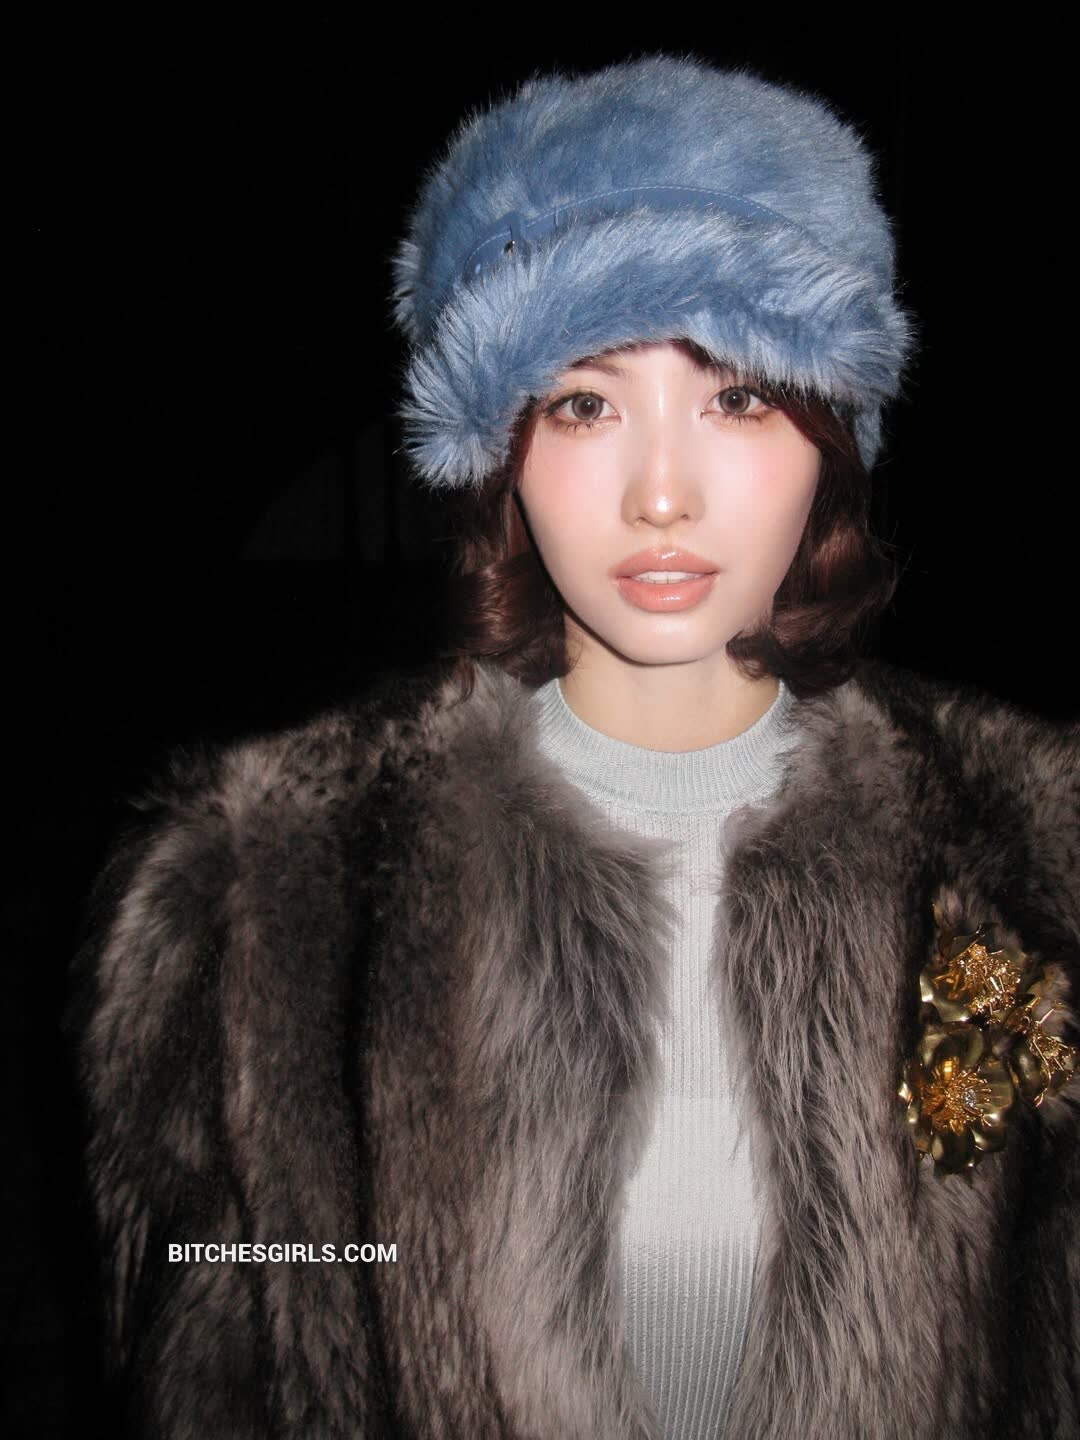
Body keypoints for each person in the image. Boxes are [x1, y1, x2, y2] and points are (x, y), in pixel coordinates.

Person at [69, 52, 1078, 1440]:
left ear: (833, 438)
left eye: (738, 396)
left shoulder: (1031, 857)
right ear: (503, 449)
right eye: (585, 404)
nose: (661, 492)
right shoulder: (271, 904)